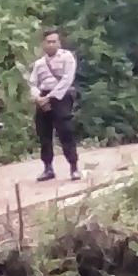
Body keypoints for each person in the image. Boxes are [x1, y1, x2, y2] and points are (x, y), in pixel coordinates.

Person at [26, 29, 81, 183]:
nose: (50, 44)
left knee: (65, 132)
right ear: (43, 44)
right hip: (43, 96)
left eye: (53, 41)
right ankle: (48, 168)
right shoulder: (39, 63)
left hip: (61, 96)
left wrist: (49, 97)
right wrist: (38, 97)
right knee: (44, 134)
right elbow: (33, 82)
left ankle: (73, 167)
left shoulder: (67, 57)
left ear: (59, 43)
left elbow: (67, 79)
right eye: (48, 42)